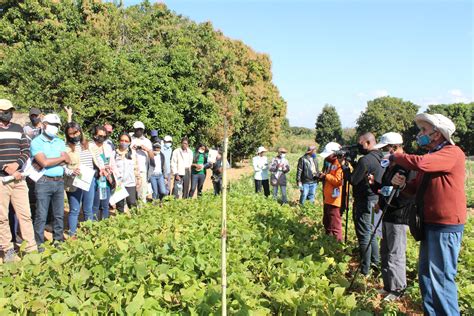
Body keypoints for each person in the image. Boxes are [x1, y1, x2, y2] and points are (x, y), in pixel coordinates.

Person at [390, 113, 466, 315]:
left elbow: (420, 163)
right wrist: (403, 184)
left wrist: (397, 156)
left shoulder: (452, 152)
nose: (420, 134)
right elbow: (414, 188)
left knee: (440, 278)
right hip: (430, 223)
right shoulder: (433, 157)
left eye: (424, 130)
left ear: (437, 134)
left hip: (445, 225)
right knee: (426, 276)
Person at [371, 132, 414, 301]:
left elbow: (407, 194)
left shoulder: (407, 166)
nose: (383, 153)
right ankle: (388, 286)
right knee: (385, 252)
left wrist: (391, 198)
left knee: (396, 254)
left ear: (395, 147)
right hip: (387, 214)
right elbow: (386, 189)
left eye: (386, 149)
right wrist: (375, 186)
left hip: (398, 216)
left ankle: (397, 290)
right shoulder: (391, 166)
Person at [0, 99, 37, 262]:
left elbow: (26, 150)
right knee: (2, 217)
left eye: (10, 110)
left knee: (25, 214)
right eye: (5, 111)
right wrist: (5, 167)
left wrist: (16, 164)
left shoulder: (18, 128)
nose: (9, 113)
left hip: (18, 179)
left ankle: (31, 249)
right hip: (2, 180)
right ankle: (7, 249)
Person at [30, 113, 70, 247]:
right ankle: (39, 244)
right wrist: (60, 159)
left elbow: (67, 160)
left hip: (59, 181)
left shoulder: (59, 141)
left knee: (58, 214)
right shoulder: (36, 142)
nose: (56, 128)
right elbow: (44, 163)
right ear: (44, 125)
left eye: (58, 126)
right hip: (43, 181)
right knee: (41, 215)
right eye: (53, 125)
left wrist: (53, 161)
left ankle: (58, 241)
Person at [350, 132, 384, 276]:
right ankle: (375, 264)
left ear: (368, 143)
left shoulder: (365, 160)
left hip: (364, 200)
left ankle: (365, 270)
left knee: (364, 235)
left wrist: (346, 169)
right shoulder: (381, 157)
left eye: (360, 143)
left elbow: (353, 180)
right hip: (376, 199)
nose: (359, 146)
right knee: (372, 232)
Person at [64, 122, 99, 237]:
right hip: (75, 180)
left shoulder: (89, 145)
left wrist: (103, 168)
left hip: (89, 180)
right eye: (71, 134)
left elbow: (97, 159)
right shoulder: (66, 148)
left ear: (80, 131)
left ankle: (90, 234)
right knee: (74, 209)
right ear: (67, 135)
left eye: (76, 132)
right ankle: (72, 234)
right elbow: (62, 166)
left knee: (88, 209)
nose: (74, 135)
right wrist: (71, 171)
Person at [90, 125, 117, 220]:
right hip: (95, 178)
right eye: (99, 135)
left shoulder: (107, 147)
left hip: (106, 179)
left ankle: (105, 224)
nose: (101, 138)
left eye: (104, 136)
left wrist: (113, 173)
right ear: (94, 135)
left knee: (105, 204)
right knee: (95, 204)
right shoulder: (90, 147)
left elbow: (112, 163)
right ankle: (94, 225)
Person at [319, 142, 344, 241]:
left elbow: (338, 181)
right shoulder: (332, 163)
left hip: (335, 200)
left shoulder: (340, 164)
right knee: (327, 222)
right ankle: (328, 241)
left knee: (335, 225)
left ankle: (337, 245)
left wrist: (326, 176)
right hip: (329, 199)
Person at [115, 133, 139, 213]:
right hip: (119, 183)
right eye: (122, 140)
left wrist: (138, 179)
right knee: (120, 205)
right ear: (119, 141)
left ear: (129, 142)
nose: (124, 142)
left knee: (132, 203)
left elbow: (136, 167)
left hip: (130, 183)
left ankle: (136, 221)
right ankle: (121, 222)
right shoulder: (114, 153)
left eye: (126, 141)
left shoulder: (133, 153)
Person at [131, 121, 153, 202]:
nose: (138, 131)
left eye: (140, 129)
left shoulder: (147, 141)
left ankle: (142, 212)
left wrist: (145, 149)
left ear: (143, 130)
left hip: (142, 171)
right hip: (131, 169)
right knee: (131, 193)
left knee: (142, 194)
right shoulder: (129, 139)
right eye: (137, 129)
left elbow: (152, 156)